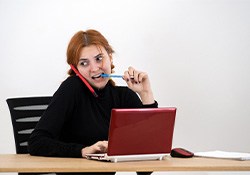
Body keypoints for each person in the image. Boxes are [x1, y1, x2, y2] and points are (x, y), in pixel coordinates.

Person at [28, 29, 158, 175]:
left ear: (110, 58)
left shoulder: (124, 97)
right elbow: (36, 142)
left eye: (99, 58)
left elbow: (147, 166)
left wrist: (146, 94)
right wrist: (83, 151)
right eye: (84, 63)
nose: (94, 68)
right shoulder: (72, 89)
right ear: (76, 69)